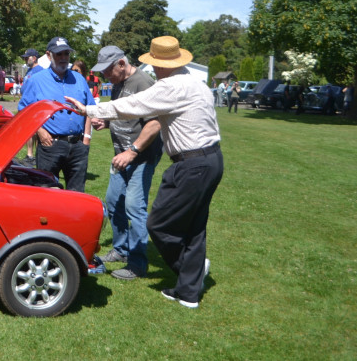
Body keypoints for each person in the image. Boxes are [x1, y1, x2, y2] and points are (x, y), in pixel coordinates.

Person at [65, 36, 223, 308]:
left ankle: (191, 272)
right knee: (194, 227)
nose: (154, 70)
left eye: (156, 65)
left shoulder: (169, 87)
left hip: (192, 164)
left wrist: (88, 109)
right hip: (211, 159)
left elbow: (132, 106)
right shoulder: (195, 84)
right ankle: (188, 293)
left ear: (163, 65)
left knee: (158, 224)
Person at [89, 46, 163, 280]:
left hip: (140, 156)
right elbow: (126, 115)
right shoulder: (118, 83)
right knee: (113, 202)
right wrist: (108, 124)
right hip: (121, 155)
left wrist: (132, 152)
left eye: (108, 70)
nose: (105, 76)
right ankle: (121, 250)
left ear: (122, 63)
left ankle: (138, 263)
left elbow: (154, 123)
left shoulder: (144, 83)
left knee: (134, 206)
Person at [19, 37, 95, 192]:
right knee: (47, 194)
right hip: (50, 145)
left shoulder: (79, 79)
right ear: (49, 55)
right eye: (59, 54)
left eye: (66, 54)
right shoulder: (36, 80)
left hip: (78, 147)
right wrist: (40, 131)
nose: (63, 58)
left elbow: (89, 109)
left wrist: (86, 138)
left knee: (77, 195)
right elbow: (23, 112)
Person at [20, 48, 42, 166]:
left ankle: (38, 156)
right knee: (29, 132)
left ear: (34, 58)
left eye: (26, 57)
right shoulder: (29, 71)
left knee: (37, 132)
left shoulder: (40, 71)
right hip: (27, 106)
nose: (25, 59)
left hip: (35, 106)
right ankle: (30, 155)